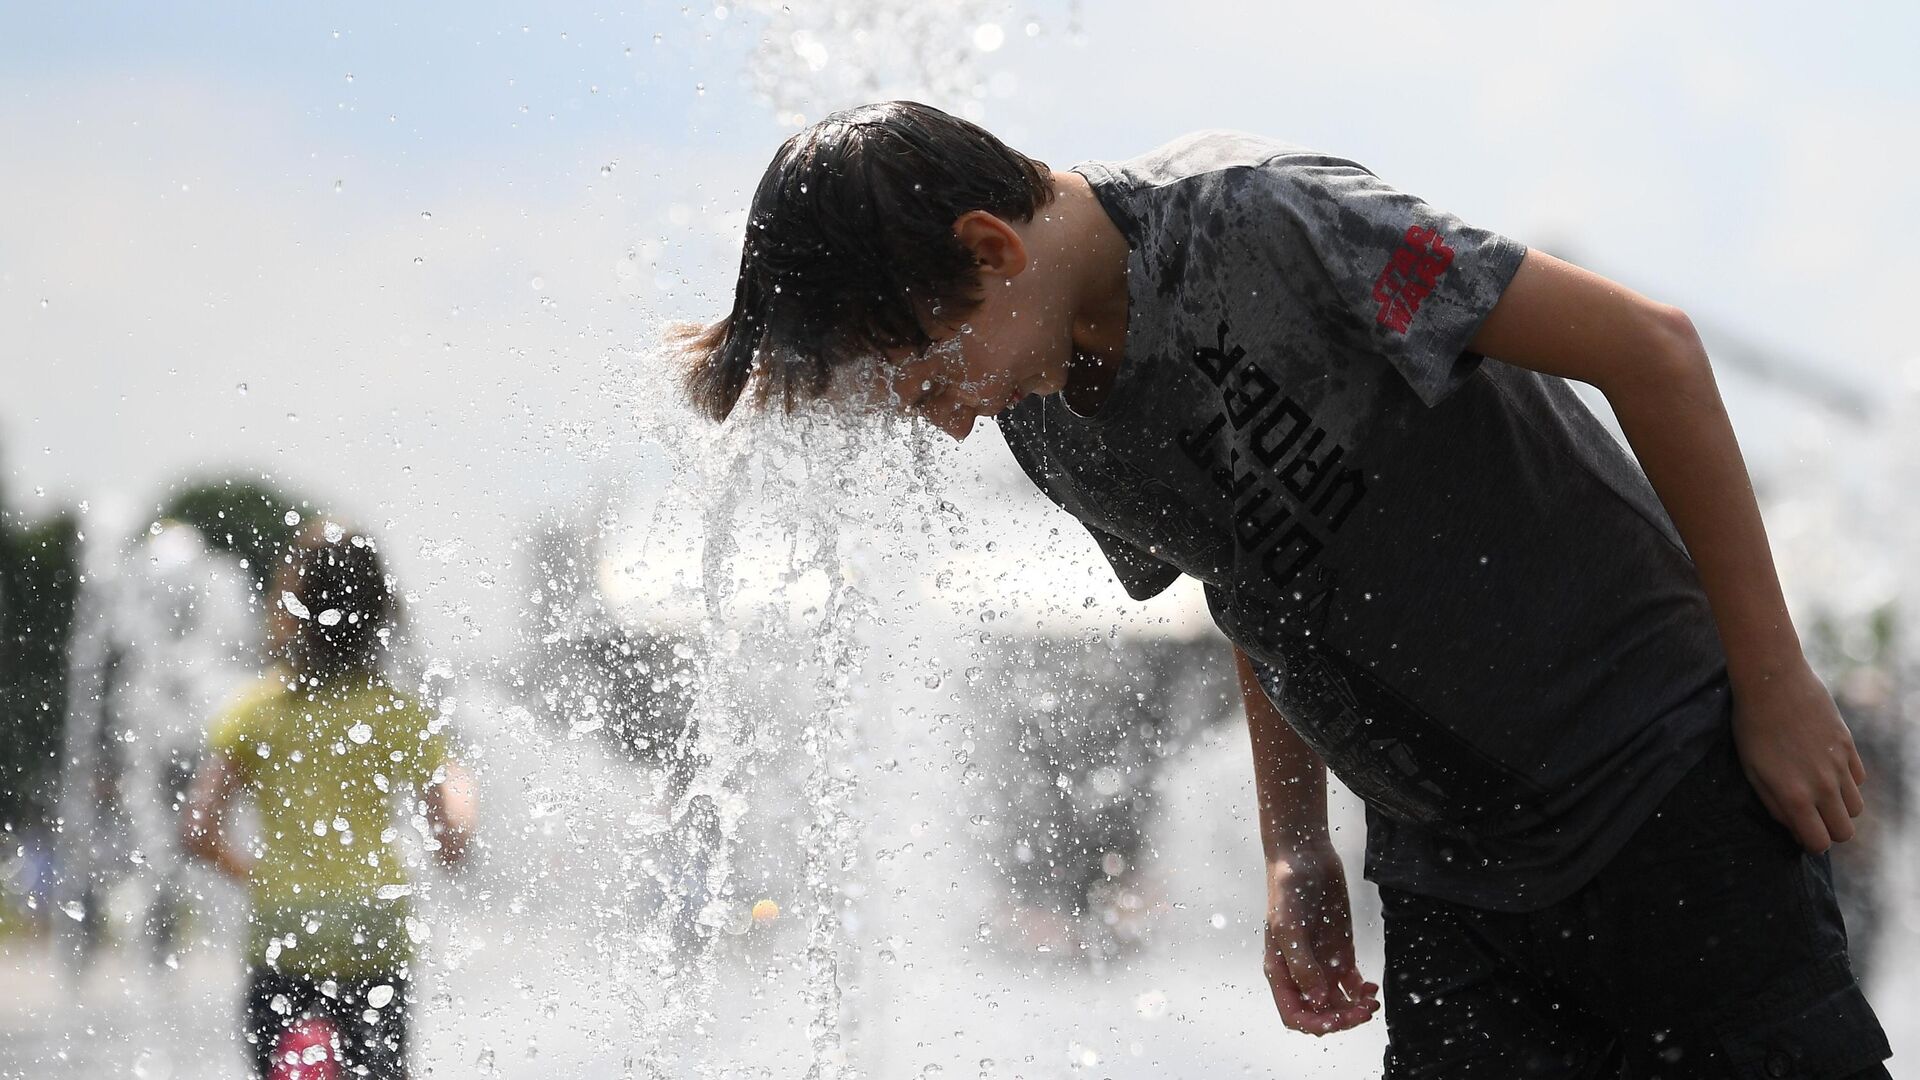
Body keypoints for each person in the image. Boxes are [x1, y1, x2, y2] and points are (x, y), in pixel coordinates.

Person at [673, 101, 1892, 1077]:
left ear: (991, 249)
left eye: (927, 381)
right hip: (1452, 865)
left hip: (1657, 778)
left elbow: (1653, 349)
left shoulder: (1271, 223)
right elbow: (1254, 578)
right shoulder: (1051, 425)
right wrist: (1294, 845)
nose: (947, 429)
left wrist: (1774, 684)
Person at [182, 521, 475, 1080]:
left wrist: (263, 878)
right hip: (374, 935)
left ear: (291, 608)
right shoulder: (396, 714)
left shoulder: (252, 710)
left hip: (283, 936)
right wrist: (465, 787)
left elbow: (197, 829)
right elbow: (451, 837)